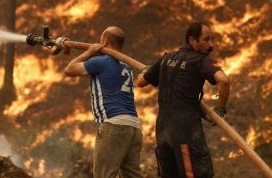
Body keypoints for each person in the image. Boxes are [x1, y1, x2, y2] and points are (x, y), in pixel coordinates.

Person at [134, 22, 230, 178]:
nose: (211, 45)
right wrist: (221, 108)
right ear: (192, 40)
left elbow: (140, 82)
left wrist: (147, 71)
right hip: (185, 128)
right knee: (196, 174)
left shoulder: (165, 59)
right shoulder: (200, 60)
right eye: (206, 39)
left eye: (212, 39)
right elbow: (224, 81)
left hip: (162, 128)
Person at [63, 26, 143, 178]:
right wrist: (69, 55)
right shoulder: (125, 66)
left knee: (103, 175)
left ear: (104, 41)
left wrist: (89, 52)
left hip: (113, 126)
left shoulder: (102, 61)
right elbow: (90, 74)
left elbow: (69, 70)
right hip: (133, 128)